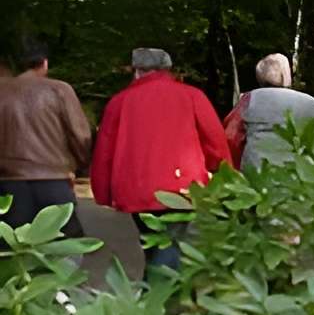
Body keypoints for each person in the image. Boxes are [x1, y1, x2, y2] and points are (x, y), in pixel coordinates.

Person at [87, 47, 231, 276]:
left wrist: (103, 193)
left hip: (137, 187)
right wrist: (223, 173)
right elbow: (215, 140)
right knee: (170, 242)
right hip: (182, 186)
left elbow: (104, 152)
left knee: (154, 242)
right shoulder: (192, 96)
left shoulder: (119, 102)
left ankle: (155, 296)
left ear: (136, 71)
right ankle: (159, 297)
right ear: (168, 69)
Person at [0, 38, 94, 234]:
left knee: (11, 247)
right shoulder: (59, 89)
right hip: (53, 179)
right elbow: (80, 136)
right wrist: (80, 165)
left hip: (8, 181)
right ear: (44, 63)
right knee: (67, 245)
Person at [226, 52, 314, 170]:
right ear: (286, 75)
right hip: (299, 177)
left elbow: (231, 138)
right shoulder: (312, 104)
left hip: (257, 175)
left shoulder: (249, 99)